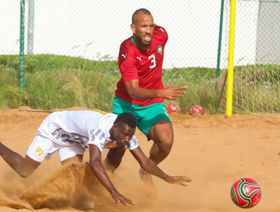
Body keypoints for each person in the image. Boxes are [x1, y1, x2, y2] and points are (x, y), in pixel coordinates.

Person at [0, 110, 191, 205]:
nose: (127, 139)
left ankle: (48, 197)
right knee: (25, 170)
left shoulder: (126, 134)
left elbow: (145, 161)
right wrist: (114, 193)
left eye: (130, 135)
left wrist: (166, 177)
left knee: (72, 182)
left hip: (74, 139)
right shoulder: (100, 129)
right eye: (124, 135)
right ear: (114, 128)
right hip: (55, 129)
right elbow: (95, 162)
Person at [112, 8, 186, 185]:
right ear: (133, 28)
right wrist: (161, 92)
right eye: (143, 26)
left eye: (151, 25)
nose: (148, 30)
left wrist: (158, 95)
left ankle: (147, 169)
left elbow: (155, 30)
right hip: (126, 104)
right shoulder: (127, 50)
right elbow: (133, 91)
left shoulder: (161, 35)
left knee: (166, 141)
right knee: (118, 149)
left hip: (151, 104)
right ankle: (102, 181)